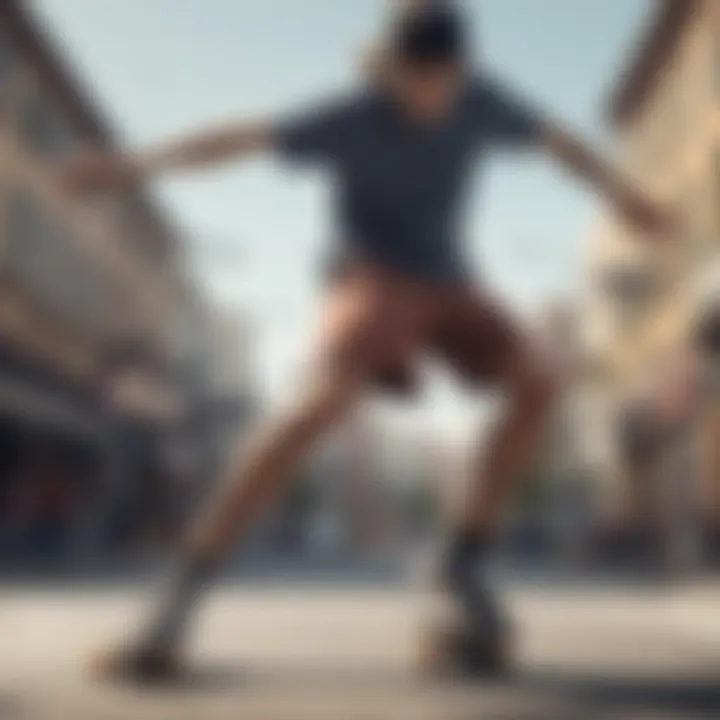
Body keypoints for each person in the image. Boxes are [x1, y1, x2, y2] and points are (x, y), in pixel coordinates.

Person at [61, 1, 671, 680]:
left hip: (451, 281)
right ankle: (177, 600)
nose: (427, 105)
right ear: (389, 72)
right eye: (412, 89)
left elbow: (564, 145)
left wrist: (627, 195)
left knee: (539, 381)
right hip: (373, 275)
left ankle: (462, 561)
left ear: (460, 72)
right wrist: (131, 168)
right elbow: (237, 140)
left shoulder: (483, 99)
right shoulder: (351, 115)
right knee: (321, 404)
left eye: (441, 90)